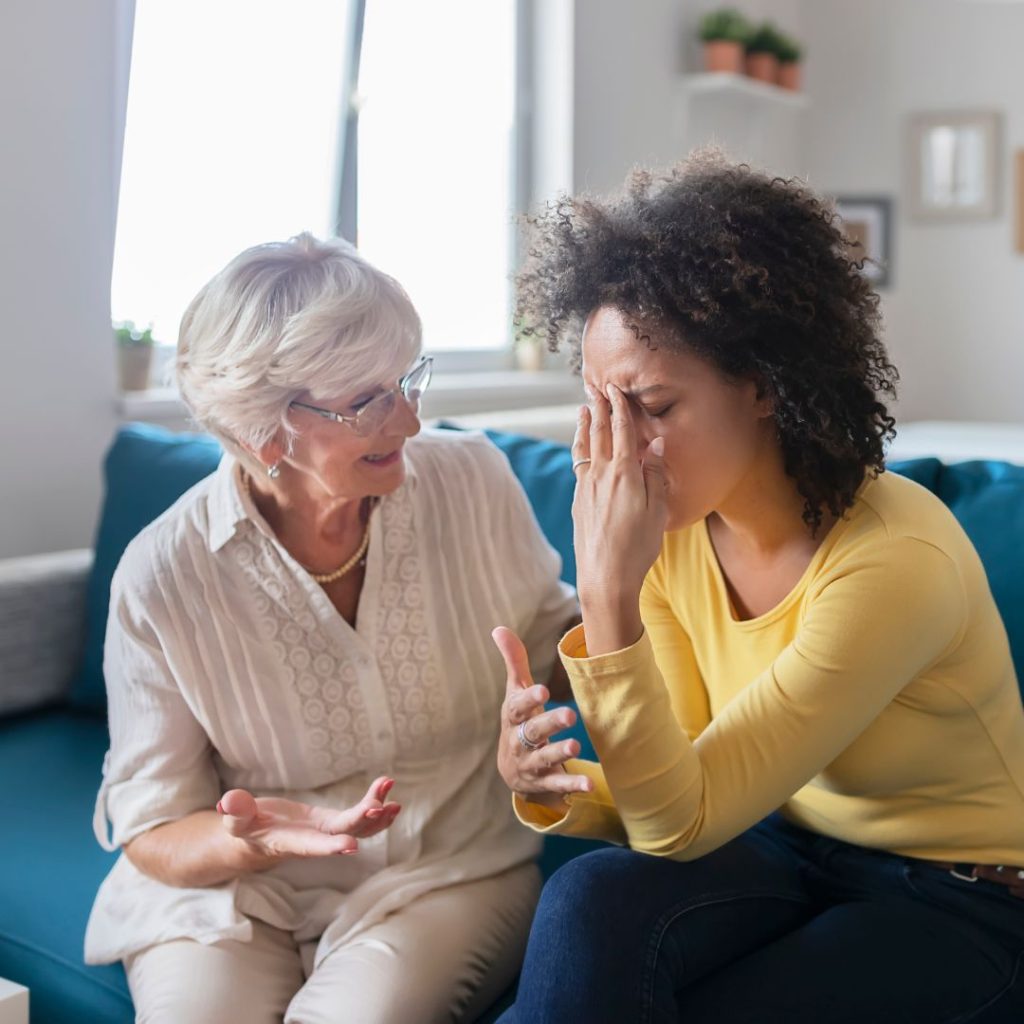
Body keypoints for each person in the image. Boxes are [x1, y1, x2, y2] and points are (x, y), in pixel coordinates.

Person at [491, 152, 1024, 1022]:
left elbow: (680, 821)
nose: (618, 450)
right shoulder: (676, 533)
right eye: (601, 406)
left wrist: (606, 596)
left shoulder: (892, 562)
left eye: (653, 408)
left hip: (956, 896)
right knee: (592, 901)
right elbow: (689, 784)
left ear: (764, 385)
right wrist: (559, 786)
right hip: (777, 840)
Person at [85, 233, 579, 1024]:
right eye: (368, 401)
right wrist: (252, 842)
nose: (410, 421)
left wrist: (544, 698)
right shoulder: (164, 576)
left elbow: (557, 644)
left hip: (448, 868)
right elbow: (154, 828)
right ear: (261, 431)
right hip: (233, 894)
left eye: (406, 381)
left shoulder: (474, 481)